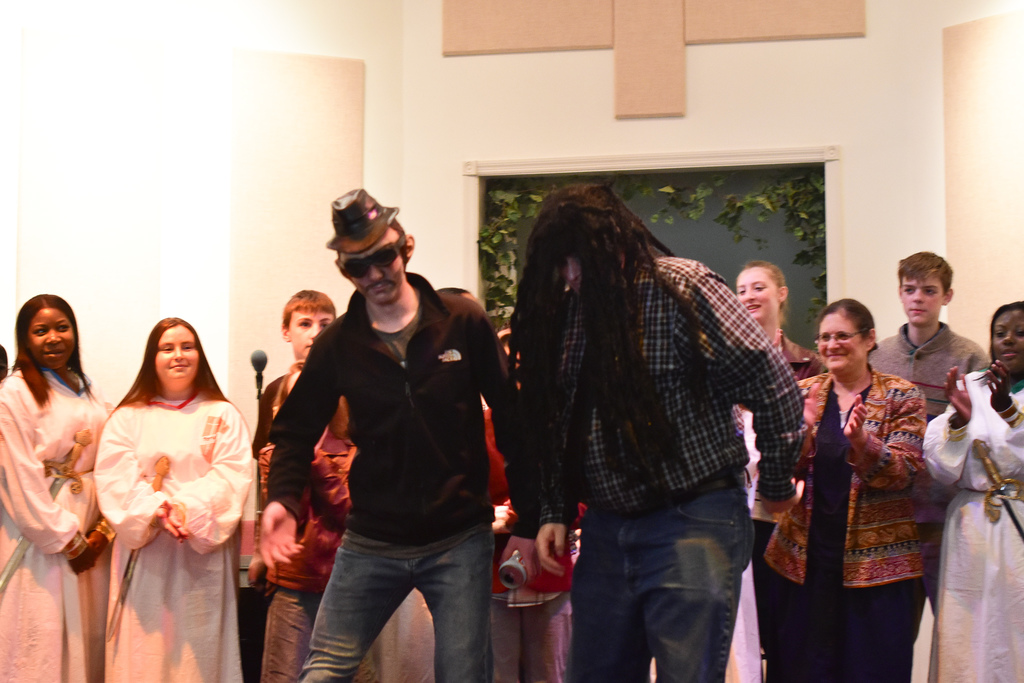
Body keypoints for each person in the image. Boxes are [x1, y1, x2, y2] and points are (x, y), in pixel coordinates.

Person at [510, 184, 804, 682]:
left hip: (693, 517)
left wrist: (775, 485)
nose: (572, 274)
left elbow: (773, 386)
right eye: (561, 263)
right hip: (606, 526)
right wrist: (555, 509)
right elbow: (560, 418)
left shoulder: (683, 286)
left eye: (580, 258)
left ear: (615, 243)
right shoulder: (572, 311)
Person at [259, 189, 538, 682]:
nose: (374, 274)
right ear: (344, 269)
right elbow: (295, 431)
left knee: (463, 674)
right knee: (324, 670)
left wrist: (532, 519)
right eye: (358, 265)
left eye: (383, 256)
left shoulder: (462, 321)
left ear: (405, 247)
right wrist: (282, 499)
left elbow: (515, 420)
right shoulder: (338, 344)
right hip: (373, 538)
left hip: (458, 538)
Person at [763, 299, 927, 683]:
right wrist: (800, 439)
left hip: (877, 571)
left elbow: (905, 471)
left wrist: (863, 444)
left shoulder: (903, 396)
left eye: (842, 336)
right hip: (804, 563)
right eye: (824, 337)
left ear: (869, 339)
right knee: (804, 669)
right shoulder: (801, 393)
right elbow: (777, 472)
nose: (831, 345)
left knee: (871, 671)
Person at [95, 318, 253, 682]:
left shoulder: (222, 414)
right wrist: (156, 510)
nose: (178, 355)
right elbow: (115, 478)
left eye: (187, 347)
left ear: (200, 355)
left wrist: (184, 509)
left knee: (199, 656)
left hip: (201, 556)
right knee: (145, 655)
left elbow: (231, 475)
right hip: (146, 556)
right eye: (167, 348)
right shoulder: (126, 418)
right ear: (152, 358)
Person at [249, 291, 368, 683]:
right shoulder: (275, 392)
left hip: (345, 569)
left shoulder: (355, 396)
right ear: (286, 331)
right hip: (293, 569)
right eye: (304, 323)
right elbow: (272, 488)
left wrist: (313, 457)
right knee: (284, 671)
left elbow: (353, 504)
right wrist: (261, 550)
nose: (315, 334)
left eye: (325, 324)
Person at [0, 294, 112, 683]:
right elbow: (18, 475)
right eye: (41, 330)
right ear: (25, 338)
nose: (53, 338)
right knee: (42, 636)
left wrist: (103, 529)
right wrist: (66, 538)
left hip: (91, 533)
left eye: (62, 328)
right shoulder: (14, 393)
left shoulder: (88, 386)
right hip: (41, 537)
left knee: (86, 634)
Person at [870, 251, 987, 619]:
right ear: (900, 294)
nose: (918, 298)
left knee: (953, 627)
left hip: (945, 516)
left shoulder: (970, 358)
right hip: (889, 518)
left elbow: (983, 438)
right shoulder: (878, 356)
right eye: (910, 289)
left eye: (929, 290)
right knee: (891, 632)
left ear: (947, 296)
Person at [923, 301, 1024, 682]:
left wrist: (1008, 410)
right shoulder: (972, 386)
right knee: (968, 632)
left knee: (1014, 626)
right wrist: (960, 423)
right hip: (971, 528)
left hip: (1017, 526)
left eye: (1020, 333)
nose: (1008, 340)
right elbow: (940, 464)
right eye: (1000, 333)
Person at [734, 260, 823, 679]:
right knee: (741, 633)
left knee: (787, 631)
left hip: (788, 514)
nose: (749, 296)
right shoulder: (725, 363)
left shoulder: (809, 366)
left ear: (781, 294)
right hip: (736, 514)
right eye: (741, 290)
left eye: (758, 287)